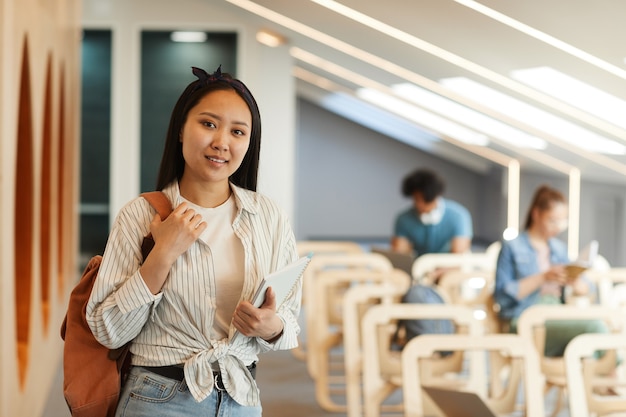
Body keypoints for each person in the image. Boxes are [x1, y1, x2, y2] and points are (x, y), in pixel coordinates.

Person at [86, 66, 300, 416]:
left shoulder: (269, 217)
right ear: (181, 130)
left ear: (249, 142)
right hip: (158, 397)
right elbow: (108, 330)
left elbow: (289, 321)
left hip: (241, 398)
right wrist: (162, 254)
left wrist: (270, 326)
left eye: (238, 131)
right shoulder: (140, 215)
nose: (222, 142)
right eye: (209, 124)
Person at [494, 185, 605, 357]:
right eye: (552, 220)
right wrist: (543, 278)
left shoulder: (559, 249)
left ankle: (602, 380)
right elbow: (502, 297)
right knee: (594, 328)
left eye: (562, 221)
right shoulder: (512, 247)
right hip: (526, 318)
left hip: (557, 313)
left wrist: (575, 282)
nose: (558, 227)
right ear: (536, 214)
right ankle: (607, 380)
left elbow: (589, 289)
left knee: (599, 332)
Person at [391, 168, 473, 256]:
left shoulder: (458, 216)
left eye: (426, 200)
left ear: (436, 196)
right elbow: (399, 252)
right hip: (418, 265)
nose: (420, 205)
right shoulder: (404, 219)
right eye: (416, 199)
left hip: (449, 265)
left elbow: (459, 253)